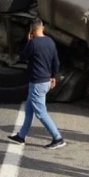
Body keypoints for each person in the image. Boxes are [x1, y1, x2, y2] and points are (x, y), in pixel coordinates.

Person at [7, 18, 66, 149]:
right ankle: (21, 136)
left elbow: (22, 57)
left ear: (32, 31)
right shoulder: (50, 42)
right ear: (42, 28)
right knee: (29, 109)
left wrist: (28, 42)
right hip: (45, 81)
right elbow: (56, 62)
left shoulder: (32, 43)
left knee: (41, 113)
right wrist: (53, 76)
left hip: (37, 83)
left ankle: (58, 138)